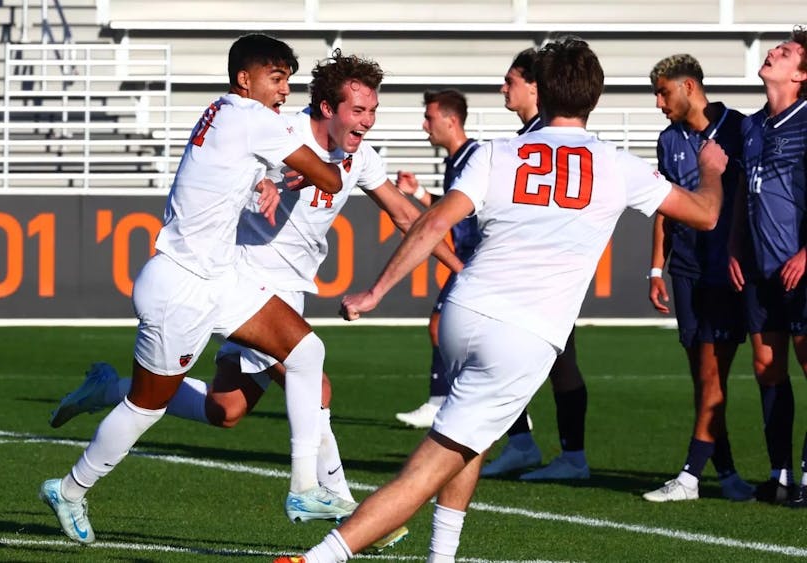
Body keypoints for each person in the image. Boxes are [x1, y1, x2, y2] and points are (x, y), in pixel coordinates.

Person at [275, 36, 728, 563]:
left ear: (544, 92)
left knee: (471, 436)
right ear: (594, 97)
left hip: (464, 313)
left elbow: (431, 223)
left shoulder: (496, 151)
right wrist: (712, 168)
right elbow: (705, 213)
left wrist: (379, 290)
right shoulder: (616, 164)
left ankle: (442, 556)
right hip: (524, 332)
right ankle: (321, 557)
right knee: (430, 467)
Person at [46, 51, 461, 546]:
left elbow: (403, 214)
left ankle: (112, 390)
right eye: (358, 111)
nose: (367, 122)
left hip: (232, 283)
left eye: (372, 112)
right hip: (218, 275)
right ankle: (346, 509)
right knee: (308, 385)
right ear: (327, 107)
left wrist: (461, 271)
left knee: (233, 405)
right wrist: (272, 179)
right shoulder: (269, 125)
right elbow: (282, 165)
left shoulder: (327, 145)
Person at [38, 33, 349, 545]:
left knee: (306, 352)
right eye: (276, 79)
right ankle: (70, 488)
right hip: (180, 285)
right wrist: (315, 170)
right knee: (147, 406)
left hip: (219, 277)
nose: (284, 91)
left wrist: (276, 177)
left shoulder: (226, 112)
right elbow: (331, 180)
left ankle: (304, 487)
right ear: (244, 79)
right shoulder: (252, 117)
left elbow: (240, 172)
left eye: (289, 81)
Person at [396, 50, 591, 482]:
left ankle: (545, 449)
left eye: (511, 81)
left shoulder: (547, 137)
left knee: (535, 359)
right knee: (539, 360)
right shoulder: (527, 136)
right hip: (533, 272)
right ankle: (547, 450)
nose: (504, 88)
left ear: (536, 87)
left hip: (530, 273)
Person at [642, 54, 756, 502]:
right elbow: (664, 208)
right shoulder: (668, 139)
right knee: (702, 376)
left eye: (662, 92)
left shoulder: (739, 129)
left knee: (712, 374)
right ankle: (726, 474)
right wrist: (656, 267)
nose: (657, 102)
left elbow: (750, 200)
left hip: (724, 269)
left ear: (689, 87)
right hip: (686, 268)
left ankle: (690, 476)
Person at [727, 26, 807, 507]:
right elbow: (741, 191)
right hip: (760, 268)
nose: (775, 51)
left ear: (801, 74)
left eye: (788, 51)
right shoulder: (752, 126)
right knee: (766, 366)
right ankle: (779, 474)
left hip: (800, 267)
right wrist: (735, 245)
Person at [393, 89, 481, 429]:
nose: (424, 125)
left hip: (475, 256)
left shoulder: (474, 156)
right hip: (464, 256)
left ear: (450, 120)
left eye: (430, 118)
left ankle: (441, 401)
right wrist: (417, 193)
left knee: (441, 325)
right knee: (446, 328)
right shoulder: (456, 160)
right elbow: (452, 204)